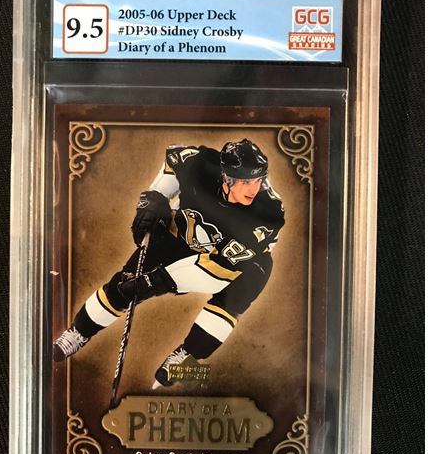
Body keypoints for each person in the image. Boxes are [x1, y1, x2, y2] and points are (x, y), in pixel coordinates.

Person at [53, 138, 285, 388]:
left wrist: (155, 283)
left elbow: (215, 272)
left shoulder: (267, 213)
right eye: (247, 181)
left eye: (258, 180)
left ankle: (186, 355)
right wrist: (156, 197)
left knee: (231, 300)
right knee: (125, 284)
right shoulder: (199, 163)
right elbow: (172, 162)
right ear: (226, 178)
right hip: (184, 235)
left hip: (239, 265)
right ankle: (79, 332)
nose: (254, 188)